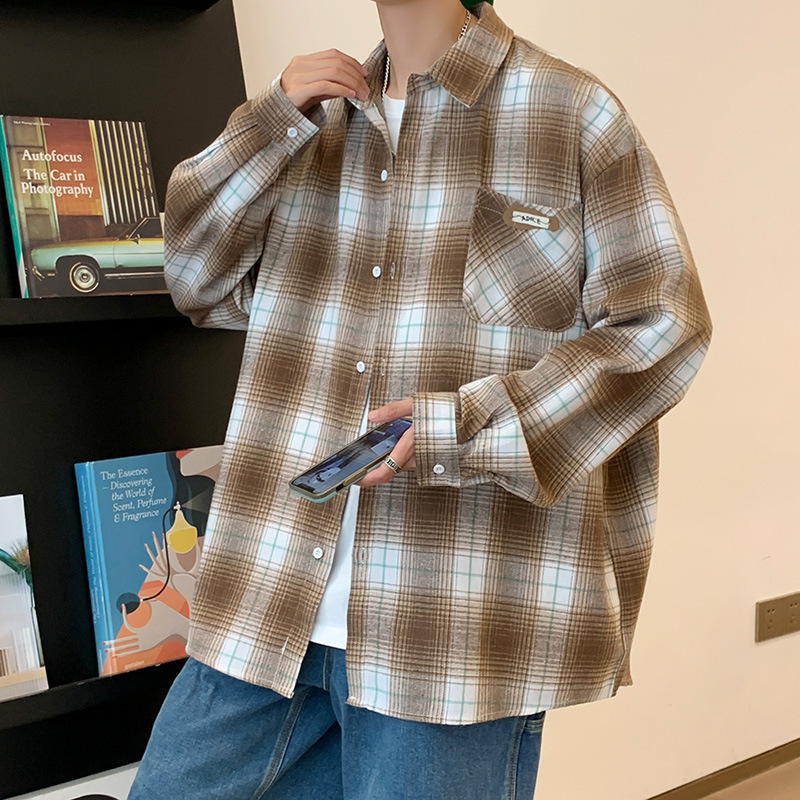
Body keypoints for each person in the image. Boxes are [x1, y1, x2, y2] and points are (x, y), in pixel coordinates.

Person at [128, 0, 712, 797]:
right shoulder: (306, 122)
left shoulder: (573, 113)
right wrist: (267, 122)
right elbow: (195, 278)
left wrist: (459, 428)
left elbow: (662, 328)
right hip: (267, 597)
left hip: (448, 631)